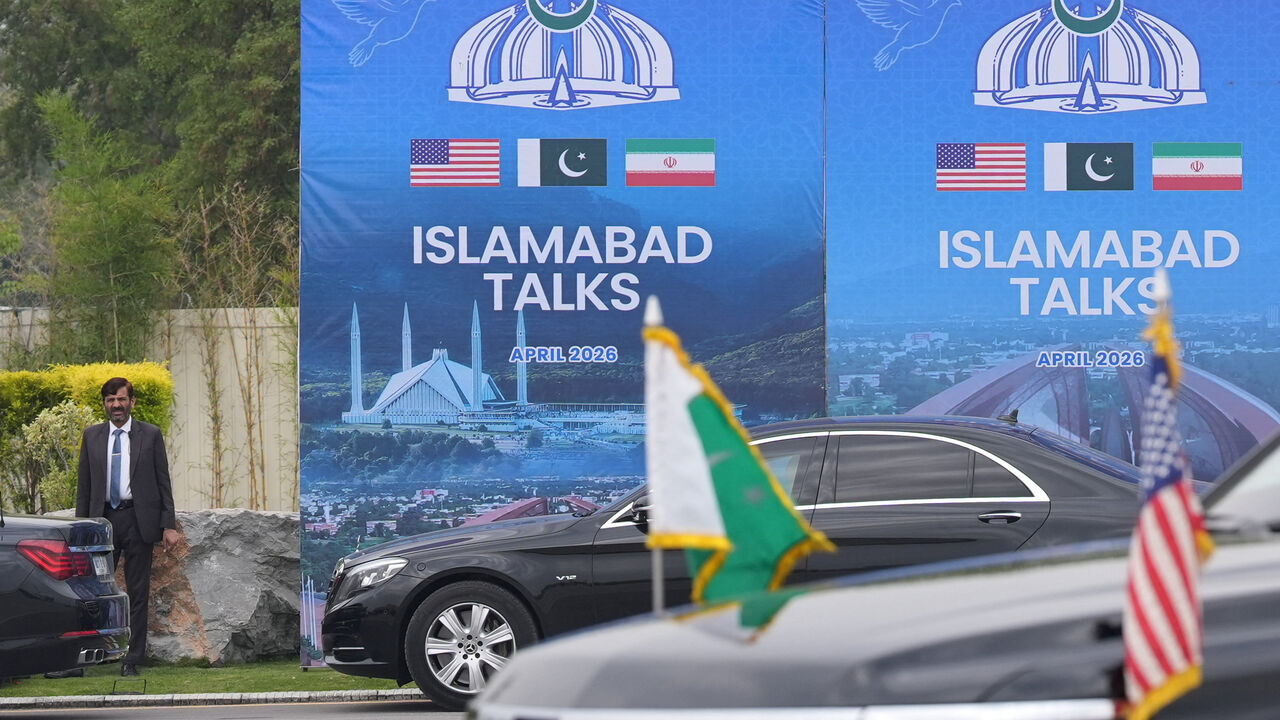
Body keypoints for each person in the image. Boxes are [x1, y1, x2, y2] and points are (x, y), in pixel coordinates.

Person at [75, 377, 180, 677]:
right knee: (90, 592)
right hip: (101, 522)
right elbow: (84, 488)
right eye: (110, 400)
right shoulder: (92, 436)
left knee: (137, 592)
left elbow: (163, 481)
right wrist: (83, 527)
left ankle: (133, 658)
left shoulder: (150, 434)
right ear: (105, 404)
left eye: (121, 399)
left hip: (138, 521)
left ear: (132, 402)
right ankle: (85, 657)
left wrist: (168, 525)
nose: (116, 405)